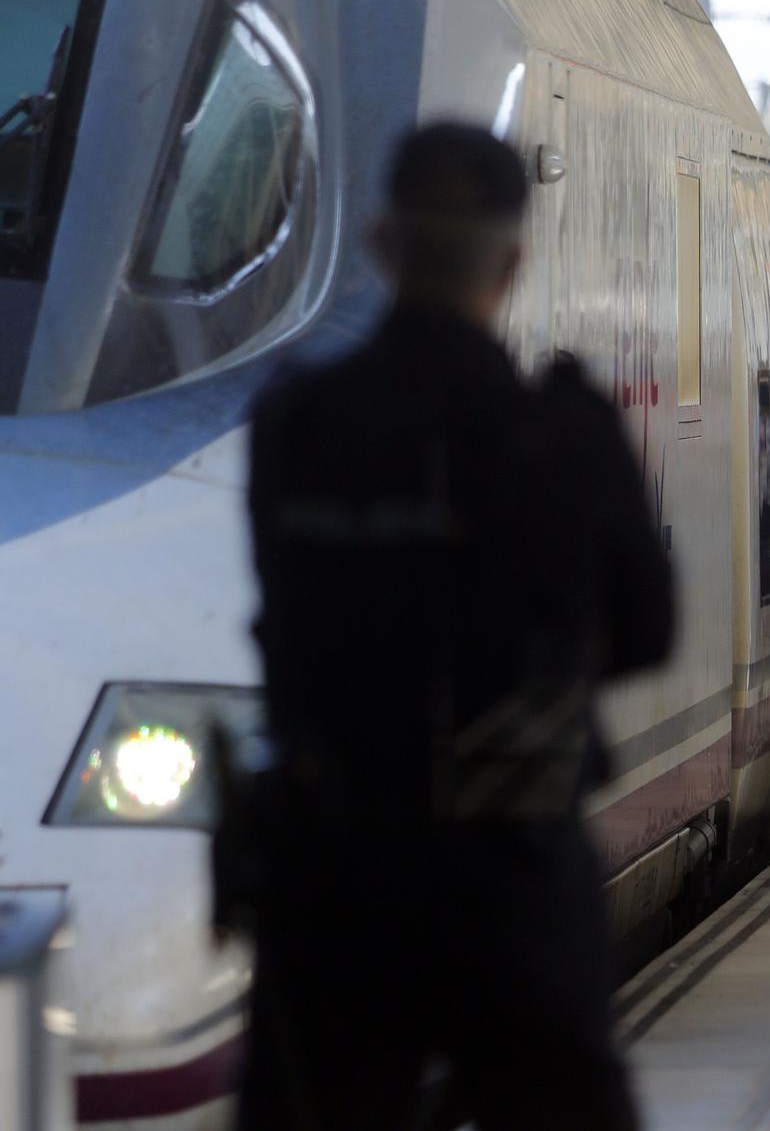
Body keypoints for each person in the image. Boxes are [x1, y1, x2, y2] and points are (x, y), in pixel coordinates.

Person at [238, 124, 668, 1130]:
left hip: (333, 868)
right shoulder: (560, 431)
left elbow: (285, 616)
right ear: (512, 261)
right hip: (512, 867)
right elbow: (645, 631)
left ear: (380, 243)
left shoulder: (297, 423)